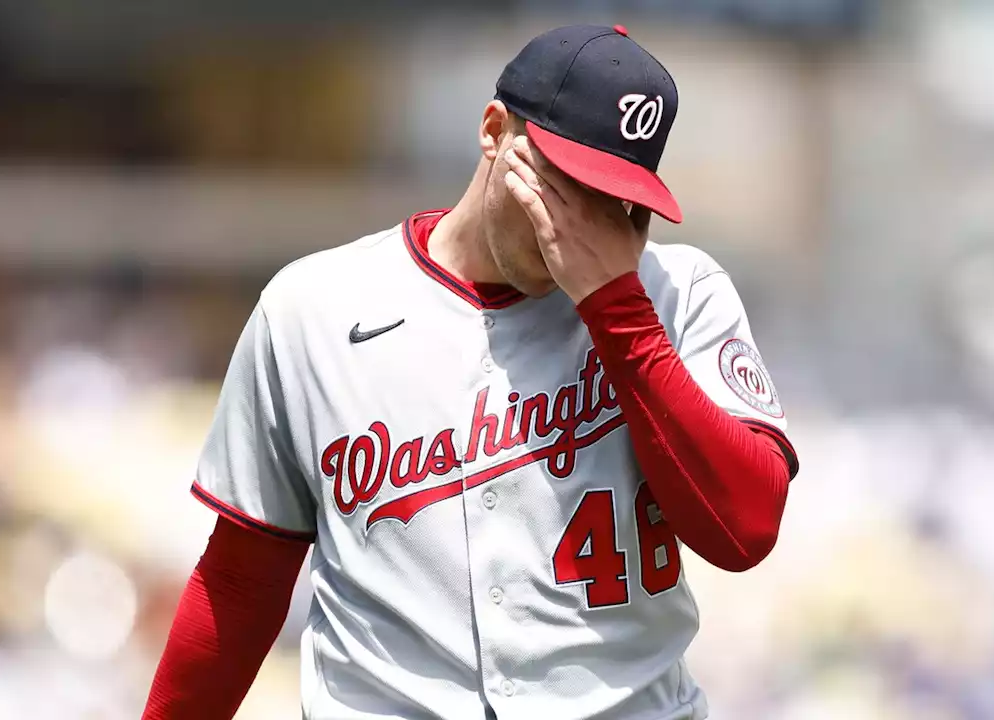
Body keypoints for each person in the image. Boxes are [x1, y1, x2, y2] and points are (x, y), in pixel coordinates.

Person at [142, 24, 798, 720]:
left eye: (617, 201)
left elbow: (744, 529)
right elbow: (241, 584)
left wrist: (619, 313)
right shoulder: (313, 309)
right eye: (566, 185)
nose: (579, 227)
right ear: (494, 132)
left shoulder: (677, 293)